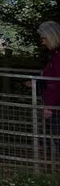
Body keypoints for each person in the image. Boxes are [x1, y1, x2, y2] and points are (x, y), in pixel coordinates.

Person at [40, 21, 60, 165]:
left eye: (44, 38)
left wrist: (49, 105)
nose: (43, 42)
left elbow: (56, 82)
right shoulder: (53, 55)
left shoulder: (58, 56)